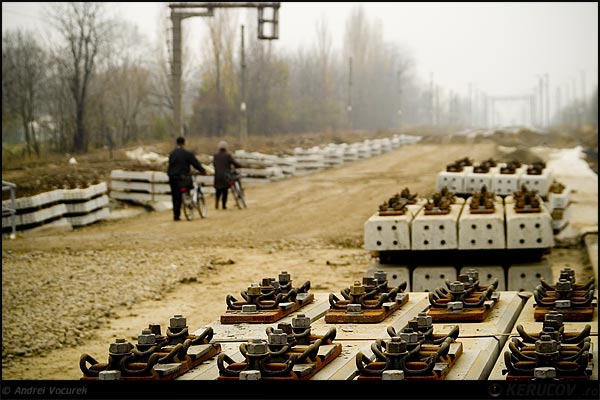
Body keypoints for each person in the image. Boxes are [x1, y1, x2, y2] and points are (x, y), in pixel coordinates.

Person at [167, 136, 206, 221]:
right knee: (187, 189)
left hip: (172, 177)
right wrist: (203, 171)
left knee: (175, 196)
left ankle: (176, 215)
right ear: (184, 143)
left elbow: (170, 165)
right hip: (183, 177)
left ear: (176, 143)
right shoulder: (187, 154)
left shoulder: (172, 154)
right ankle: (189, 204)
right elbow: (196, 164)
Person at [212, 140, 242, 210]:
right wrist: (239, 165)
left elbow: (214, 164)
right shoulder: (227, 155)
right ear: (226, 148)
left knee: (218, 190)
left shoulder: (215, 156)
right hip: (226, 175)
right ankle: (223, 205)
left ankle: (216, 202)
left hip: (217, 175)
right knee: (225, 190)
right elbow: (234, 163)